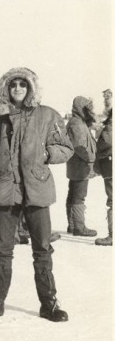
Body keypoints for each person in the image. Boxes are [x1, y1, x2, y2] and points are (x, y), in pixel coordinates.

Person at [0, 67, 73, 322]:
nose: (18, 88)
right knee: (2, 249)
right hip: (7, 191)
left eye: (23, 84)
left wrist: (46, 155)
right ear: (6, 88)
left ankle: (49, 304)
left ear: (30, 88)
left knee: (42, 249)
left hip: (37, 189)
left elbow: (65, 147)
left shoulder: (47, 115)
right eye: (13, 84)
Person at [65, 96, 98, 236]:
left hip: (76, 166)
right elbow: (79, 146)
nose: (89, 111)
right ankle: (79, 227)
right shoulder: (77, 124)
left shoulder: (77, 122)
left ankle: (73, 225)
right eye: (87, 108)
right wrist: (91, 159)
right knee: (79, 196)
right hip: (80, 166)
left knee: (73, 195)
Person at [94, 89, 112, 246]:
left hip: (110, 162)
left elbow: (107, 140)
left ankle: (112, 235)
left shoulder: (111, 123)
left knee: (112, 199)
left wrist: (97, 143)